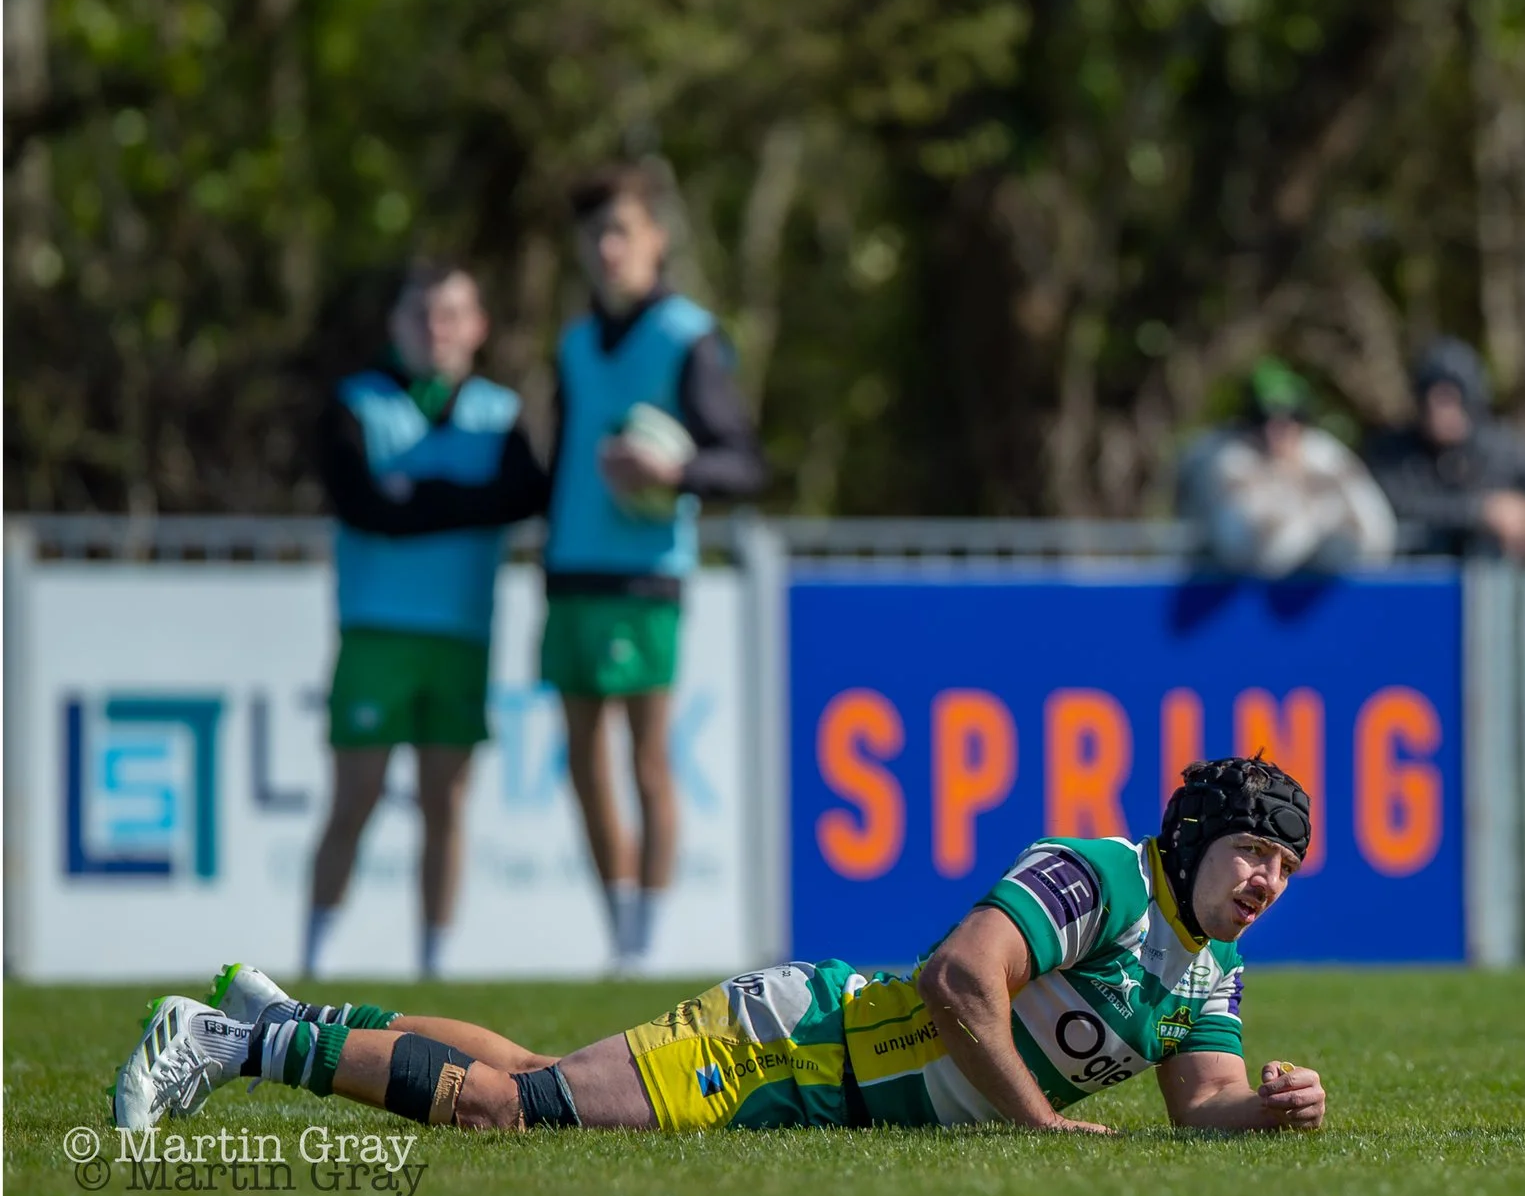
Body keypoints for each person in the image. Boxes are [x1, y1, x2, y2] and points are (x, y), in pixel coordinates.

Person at [113, 758, 1329, 1140]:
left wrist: (1261, 1110)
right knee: (510, 1112)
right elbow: (962, 981)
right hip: (791, 1046)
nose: (1267, 880)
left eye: (1286, 867)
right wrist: (1040, 1125)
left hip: (829, 1086)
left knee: (533, 1069)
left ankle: (288, 1013)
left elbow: (1199, 1101)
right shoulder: (1108, 875)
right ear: (1193, 837)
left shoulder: (1211, 966)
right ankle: (235, 1041)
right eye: (1253, 854)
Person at [544, 162, 765, 972]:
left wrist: (671, 472)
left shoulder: (687, 336)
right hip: (571, 569)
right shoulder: (572, 344)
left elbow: (744, 462)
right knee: (579, 759)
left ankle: (648, 939)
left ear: (655, 242)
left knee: (646, 758)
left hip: (646, 576)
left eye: (622, 233)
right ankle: (617, 924)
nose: (607, 249)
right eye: (595, 234)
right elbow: (563, 460)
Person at [309, 260, 546, 979]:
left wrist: (419, 495)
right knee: (356, 798)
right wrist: (459, 500)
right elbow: (362, 506)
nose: (434, 329)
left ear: (476, 327)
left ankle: (434, 964)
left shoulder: (500, 415)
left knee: (447, 801)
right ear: (395, 324)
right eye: (420, 314)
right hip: (377, 630)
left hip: (463, 634)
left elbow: (521, 496)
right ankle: (311, 959)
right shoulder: (354, 403)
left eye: (450, 315)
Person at [1364, 338, 1525, 562]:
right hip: (1418, 585)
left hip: (1495, 586)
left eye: (1449, 396)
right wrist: (1479, 512)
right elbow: (1387, 504)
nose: (1439, 408)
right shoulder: (1393, 453)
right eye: (1432, 397)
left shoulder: (1505, 448)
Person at [1175, 358, 1396, 577]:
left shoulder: (1326, 456)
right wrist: (1309, 518)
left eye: (1291, 417)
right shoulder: (1228, 460)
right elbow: (1244, 547)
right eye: (1263, 418)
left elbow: (1376, 534)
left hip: (1329, 595)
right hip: (1241, 599)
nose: (1277, 431)